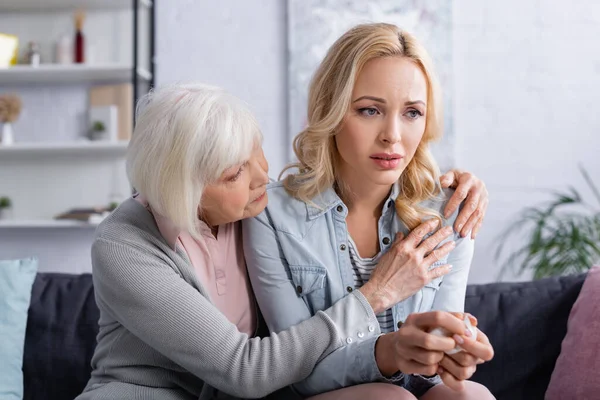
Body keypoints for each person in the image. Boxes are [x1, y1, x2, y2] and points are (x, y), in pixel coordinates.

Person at [75, 82, 490, 400]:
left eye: (257, 153)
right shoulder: (124, 245)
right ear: (183, 190)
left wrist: (463, 185)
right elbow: (243, 368)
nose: (262, 177)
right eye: (235, 173)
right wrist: (375, 294)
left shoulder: (254, 210)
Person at [243, 23, 494, 399]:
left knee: (467, 394)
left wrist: (455, 352)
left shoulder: (450, 211)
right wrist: (390, 350)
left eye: (412, 113)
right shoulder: (271, 215)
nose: (392, 134)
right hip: (318, 391)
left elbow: (439, 372)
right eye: (370, 110)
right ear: (330, 109)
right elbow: (296, 371)